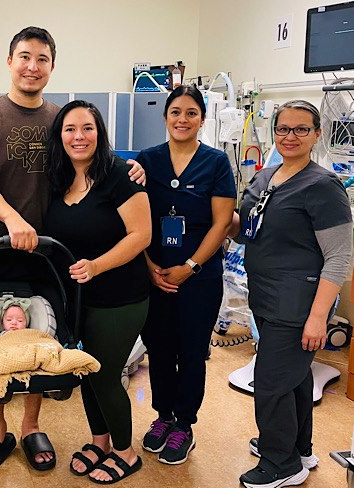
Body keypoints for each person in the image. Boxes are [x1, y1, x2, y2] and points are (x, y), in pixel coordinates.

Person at [0, 25, 146, 479]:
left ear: (51, 66)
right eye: (24, 57)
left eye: (41, 58)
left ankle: (30, 427)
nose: (32, 66)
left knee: (38, 338)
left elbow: (91, 152)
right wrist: (12, 220)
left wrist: (130, 164)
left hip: (48, 259)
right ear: (10, 62)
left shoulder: (58, 117)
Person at [236, 100, 352, 488]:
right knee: (294, 377)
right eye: (283, 129)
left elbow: (339, 256)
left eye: (301, 129)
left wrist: (319, 317)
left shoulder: (323, 186)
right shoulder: (265, 178)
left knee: (270, 381)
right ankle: (298, 448)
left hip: (297, 302)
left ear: (317, 134)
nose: (290, 136)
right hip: (266, 296)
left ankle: (279, 463)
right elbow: (248, 229)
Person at [43, 100, 151, 484]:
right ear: (60, 136)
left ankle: (125, 451)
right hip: (78, 300)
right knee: (88, 372)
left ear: (100, 133)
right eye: (70, 129)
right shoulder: (57, 180)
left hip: (120, 296)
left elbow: (142, 235)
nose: (79, 136)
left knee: (105, 376)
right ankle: (100, 442)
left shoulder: (120, 175)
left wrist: (97, 266)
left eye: (87, 128)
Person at [137, 85, 236, 465]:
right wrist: (149, 265)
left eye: (191, 113)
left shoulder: (215, 163)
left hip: (200, 276)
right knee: (159, 348)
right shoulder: (147, 161)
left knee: (192, 352)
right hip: (155, 271)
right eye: (176, 112)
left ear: (202, 119)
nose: (183, 119)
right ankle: (163, 416)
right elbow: (136, 216)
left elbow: (222, 222)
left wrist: (190, 267)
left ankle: (185, 425)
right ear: (165, 117)